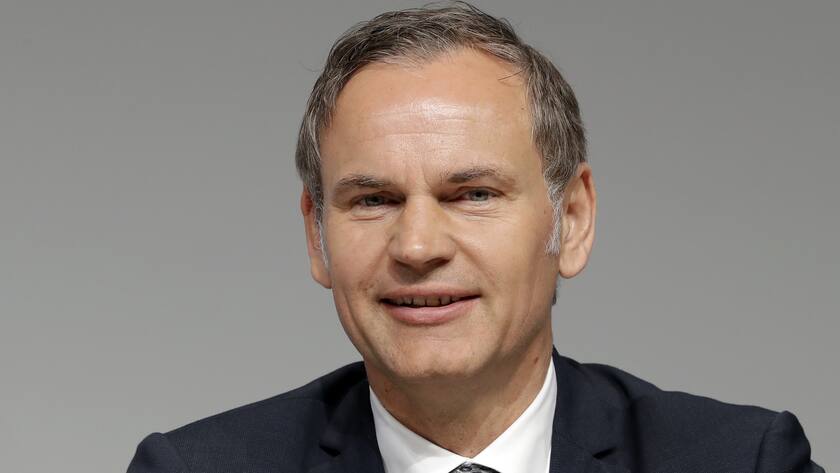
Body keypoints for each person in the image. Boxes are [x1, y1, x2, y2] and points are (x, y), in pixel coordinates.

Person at [127, 3, 823, 472]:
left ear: (571, 220)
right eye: (373, 199)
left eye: (474, 194)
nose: (418, 245)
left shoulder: (743, 461)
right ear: (317, 235)